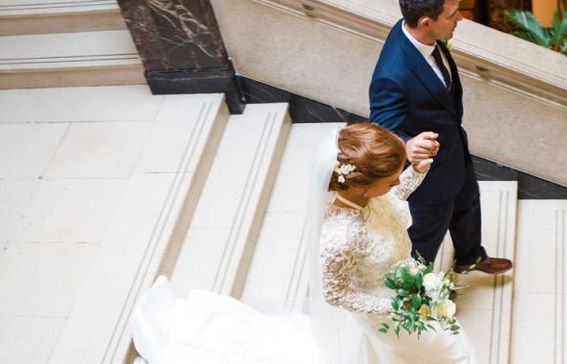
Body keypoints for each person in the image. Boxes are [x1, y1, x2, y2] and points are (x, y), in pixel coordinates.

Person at [130, 123, 474, 364]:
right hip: (387, 309)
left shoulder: (371, 199)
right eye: (391, 178)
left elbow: (396, 196)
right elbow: (336, 294)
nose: (398, 181)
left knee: (437, 348)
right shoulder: (343, 236)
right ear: (363, 186)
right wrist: (394, 308)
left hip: (404, 293)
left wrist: (418, 171)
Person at [369, 0, 512, 275]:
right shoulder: (391, 75)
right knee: (427, 234)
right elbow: (382, 130)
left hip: (453, 148)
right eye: (452, 14)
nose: (460, 18)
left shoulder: (419, 33)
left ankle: (469, 256)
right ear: (426, 22)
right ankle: (413, 290)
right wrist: (407, 145)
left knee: (468, 203)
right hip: (430, 176)